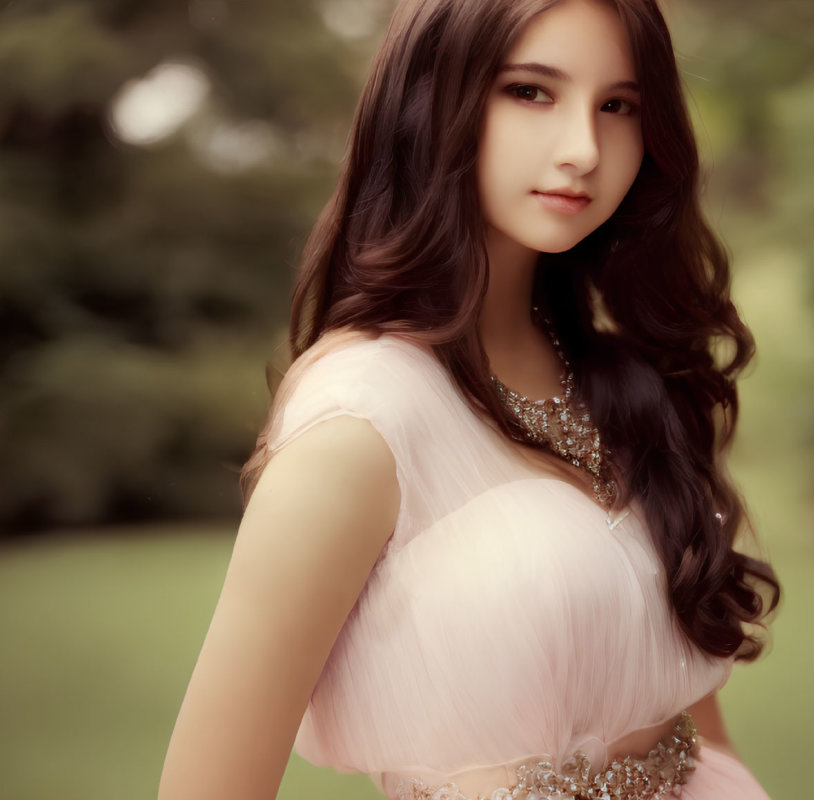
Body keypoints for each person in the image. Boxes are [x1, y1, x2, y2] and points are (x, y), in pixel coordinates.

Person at [158, 0, 780, 798]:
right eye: (530, 91)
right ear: (429, 101)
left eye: (618, 106)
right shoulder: (360, 420)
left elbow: (699, 727)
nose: (584, 149)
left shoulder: (633, 383)